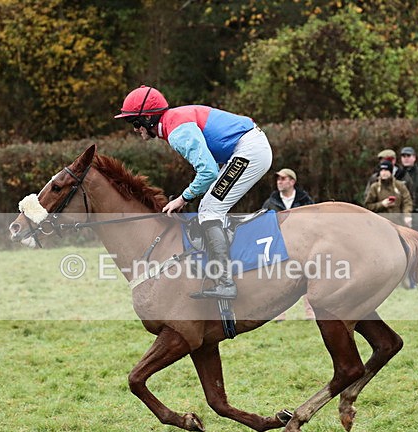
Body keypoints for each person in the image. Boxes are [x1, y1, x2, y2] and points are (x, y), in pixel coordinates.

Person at [114, 85, 272, 299]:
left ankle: (225, 283)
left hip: (249, 150)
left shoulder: (177, 130)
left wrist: (183, 198)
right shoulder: (173, 122)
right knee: (209, 206)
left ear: (148, 119)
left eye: (134, 122)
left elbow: (208, 171)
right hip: (247, 147)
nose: (134, 129)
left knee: (209, 210)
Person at [262, 167, 315, 320]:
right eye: (278, 179)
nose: (279, 182)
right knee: (278, 278)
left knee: (308, 275)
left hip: (303, 246)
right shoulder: (270, 203)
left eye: (283, 179)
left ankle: (310, 312)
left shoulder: (305, 201)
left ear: (292, 181)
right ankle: (279, 313)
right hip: (279, 246)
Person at [364, 160, 413, 228]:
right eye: (382, 170)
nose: (383, 173)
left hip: (398, 224)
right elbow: (367, 206)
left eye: (386, 170)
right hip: (380, 225)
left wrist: (407, 216)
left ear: (391, 172)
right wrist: (382, 204)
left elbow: (407, 202)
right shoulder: (374, 187)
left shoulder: (400, 186)